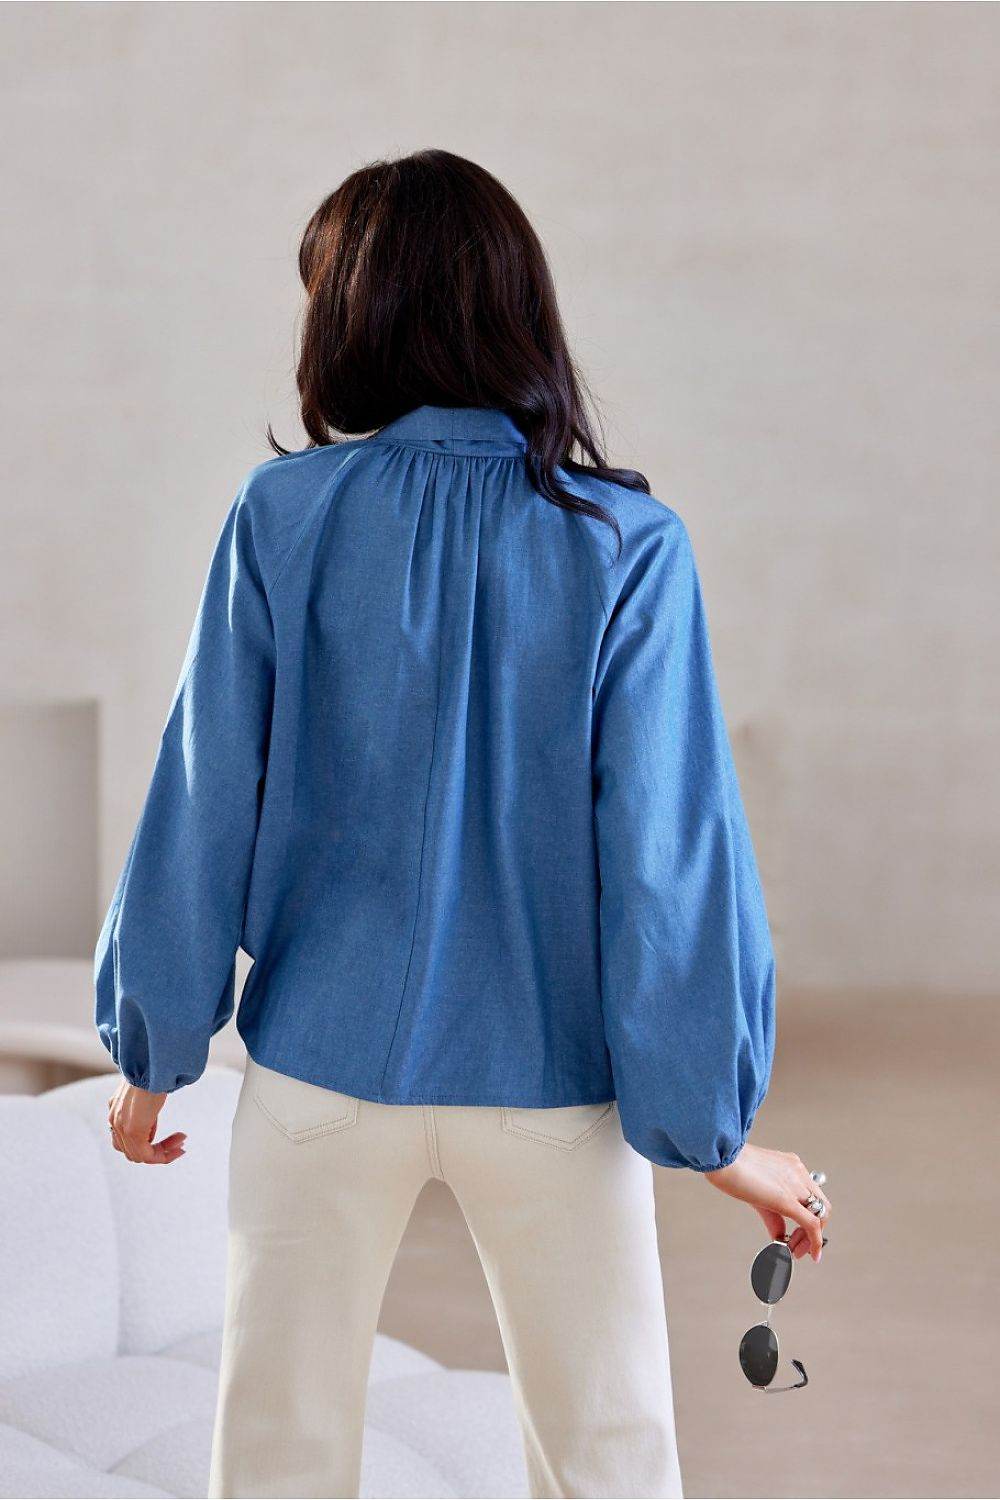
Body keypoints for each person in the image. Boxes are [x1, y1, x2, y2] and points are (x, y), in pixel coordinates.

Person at [96, 149, 831, 1500]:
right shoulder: (629, 544)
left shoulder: (280, 517)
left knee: (274, 1454)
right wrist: (714, 1138)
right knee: (608, 1456)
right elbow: (665, 864)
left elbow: (204, 793)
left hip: (317, 1076)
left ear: (351, 315)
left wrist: (155, 1049)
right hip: (553, 1090)